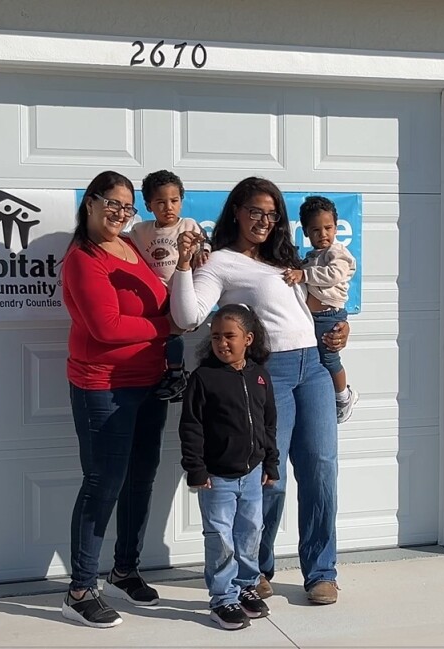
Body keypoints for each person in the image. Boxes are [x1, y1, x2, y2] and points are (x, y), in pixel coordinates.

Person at [170, 177, 349, 606]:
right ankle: (256, 568)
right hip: (273, 372)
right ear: (236, 211)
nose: (264, 221)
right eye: (255, 211)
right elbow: (188, 317)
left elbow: (313, 306)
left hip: (314, 366)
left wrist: (341, 329)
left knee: (321, 471)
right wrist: (184, 267)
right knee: (271, 477)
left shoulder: (286, 259)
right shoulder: (220, 262)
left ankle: (321, 572)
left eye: (271, 214)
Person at [60, 170, 182, 628]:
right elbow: (106, 328)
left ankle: (124, 570)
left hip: (149, 382)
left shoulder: (130, 246)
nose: (119, 212)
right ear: (90, 203)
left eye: (127, 206)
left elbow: (158, 300)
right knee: (103, 482)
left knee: (140, 479)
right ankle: (79, 590)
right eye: (111, 202)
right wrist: (168, 327)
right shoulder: (83, 258)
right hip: (104, 386)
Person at [179, 304, 279, 630]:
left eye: (229, 336)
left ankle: (246, 586)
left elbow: (268, 423)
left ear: (248, 338)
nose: (222, 343)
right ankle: (222, 599)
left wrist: (271, 462)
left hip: (253, 474)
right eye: (216, 337)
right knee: (221, 539)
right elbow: (191, 426)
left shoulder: (260, 376)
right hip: (217, 478)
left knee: (250, 533)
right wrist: (196, 468)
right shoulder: (203, 378)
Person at [128, 170, 210, 401]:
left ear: (181, 201)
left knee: (174, 332)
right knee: (154, 334)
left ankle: (176, 373)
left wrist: (202, 252)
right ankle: (162, 373)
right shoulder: (140, 231)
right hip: (153, 295)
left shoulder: (189, 225)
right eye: (160, 202)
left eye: (174, 201)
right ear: (148, 205)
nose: (168, 207)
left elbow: (204, 244)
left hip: (180, 293)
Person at [283, 196, 358, 423]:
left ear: (336, 227)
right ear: (306, 232)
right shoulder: (310, 257)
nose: (323, 234)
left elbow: (333, 274)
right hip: (312, 318)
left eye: (328, 228)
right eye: (316, 230)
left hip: (329, 316)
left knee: (330, 358)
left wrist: (303, 275)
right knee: (317, 361)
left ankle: (344, 396)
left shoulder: (337, 253)